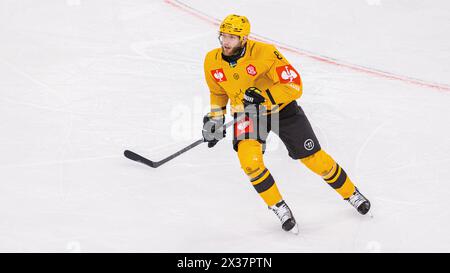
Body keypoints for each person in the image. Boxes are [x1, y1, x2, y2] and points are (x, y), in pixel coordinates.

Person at [202, 14, 371, 234]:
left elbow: (294, 85)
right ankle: (278, 206)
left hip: (282, 110)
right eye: (223, 35)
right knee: (250, 163)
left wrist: (264, 96)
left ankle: (351, 193)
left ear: (244, 39)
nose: (226, 42)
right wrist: (216, 118)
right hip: (248, 115)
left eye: (232, 37)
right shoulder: (211, 60)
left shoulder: (265, 53)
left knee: (315, 159)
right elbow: (217, 92)